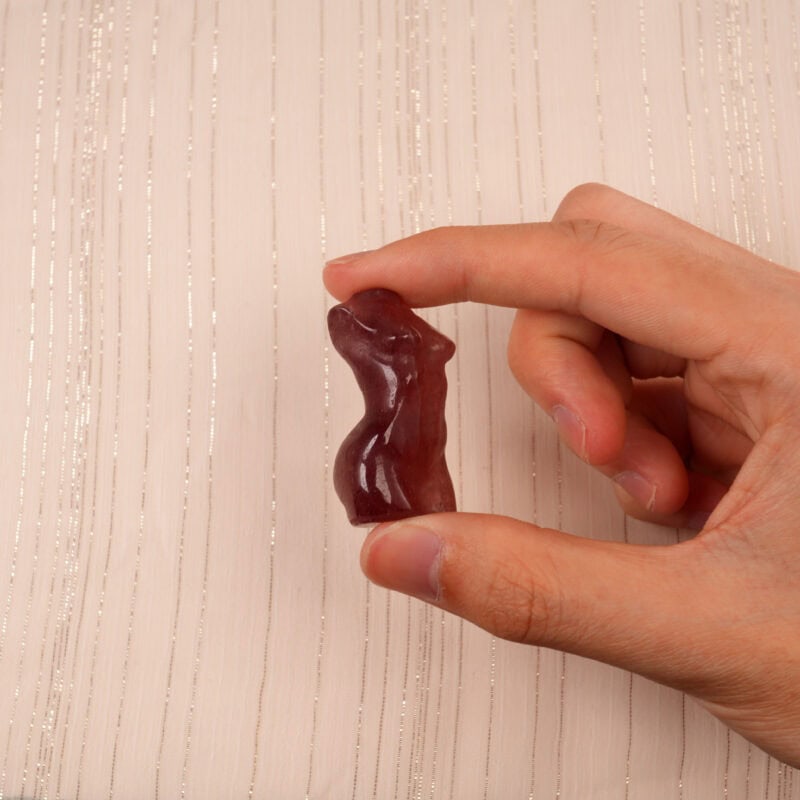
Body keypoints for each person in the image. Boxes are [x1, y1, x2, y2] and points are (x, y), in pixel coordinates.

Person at [323, 184, 800, 768]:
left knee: (427, 475)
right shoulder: (375, 337)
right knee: (415, 475)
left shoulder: (401, 338)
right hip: (383, 460)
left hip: (406, 452)